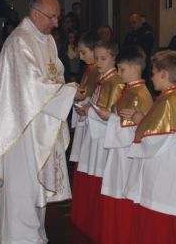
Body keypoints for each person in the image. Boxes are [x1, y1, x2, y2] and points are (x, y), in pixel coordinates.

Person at [0, 0, 81, 244]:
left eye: (57, 17)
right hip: (22, 128)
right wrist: (69, 92)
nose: (56, 23)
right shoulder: (19, 42)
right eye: (52, 17)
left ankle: (34, 233)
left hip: (43, 124)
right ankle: (21, 237)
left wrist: (69, 90)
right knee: (23, 185)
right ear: (35, 14)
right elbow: (31, 86)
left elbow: (57, 75)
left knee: (36, 186)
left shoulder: (46, 41)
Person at [123, 50, 176, 244]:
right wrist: (142, 118)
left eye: (154, 72)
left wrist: (140, 121)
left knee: (161, 218)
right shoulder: (169, 98)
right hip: (170, 166)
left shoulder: (168, 102)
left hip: (165, 171)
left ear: (164, 74)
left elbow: (156, 139)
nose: (151, 76)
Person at [94, 46, 153, 244]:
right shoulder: (130, 89)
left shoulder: (139, 94)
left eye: (122, 70)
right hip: (120, 153)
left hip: (128, 154)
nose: (119, 74)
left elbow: (131, 131)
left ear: (136, 69)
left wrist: (108, 117)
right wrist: (110, 116)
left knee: (124, 193)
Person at [74, 40, 124, 242]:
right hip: (94, 138)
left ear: (114, 58)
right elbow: (96, 105)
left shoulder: (116, 82)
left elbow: (113, 116)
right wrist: (85, 109)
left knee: (101, 179)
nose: (99, 62)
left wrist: (89, 112)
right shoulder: (101, 78)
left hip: (105, 141)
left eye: (103, 58)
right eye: (97, 58)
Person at [69, 31, 100, 230]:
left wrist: (78, 96)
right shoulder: (89, 69)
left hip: (93, 124)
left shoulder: (97, 70)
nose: (80, 56)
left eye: (83, 52)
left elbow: (91, 96)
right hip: (85, 121)